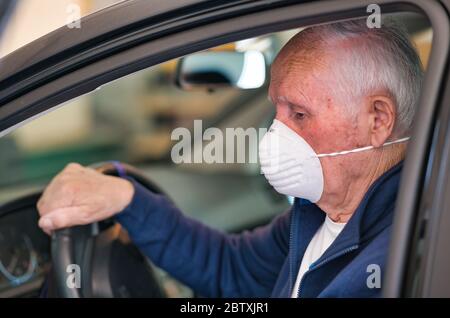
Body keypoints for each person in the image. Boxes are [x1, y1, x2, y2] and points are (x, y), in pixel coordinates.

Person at [37, 18, 423, 297]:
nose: (277, 133)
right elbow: (233, 270)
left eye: (299, 115)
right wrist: (127, 199)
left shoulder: (402, 255)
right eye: (277, 110)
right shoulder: (319, 215)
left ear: (377, 120)